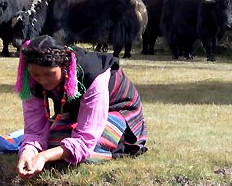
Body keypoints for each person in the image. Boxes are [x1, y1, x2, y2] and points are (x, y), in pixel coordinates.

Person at [14, 35, 148, 178]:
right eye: (36, 74)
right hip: (77, 112)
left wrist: (44, 157)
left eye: (49, 74)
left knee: (81, 152)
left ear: (64, 66)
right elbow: (35, 129)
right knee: (53, 142)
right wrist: (28, 152)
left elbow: (85, 139)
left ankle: (121, 143)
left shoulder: (94, 77)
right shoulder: (30, 80)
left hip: (118, 111)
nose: (42, 80)